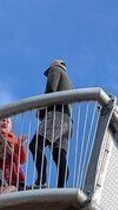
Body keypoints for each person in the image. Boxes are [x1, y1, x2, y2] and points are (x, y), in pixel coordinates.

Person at [29, 59, 73, 189]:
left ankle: (41, 180)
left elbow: (50, 90)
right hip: (67, 121)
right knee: (59, 156)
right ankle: (61, 189)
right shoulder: (70, 83)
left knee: (35, 145)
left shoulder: (55, 70)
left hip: (56, 116)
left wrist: (42, 109)